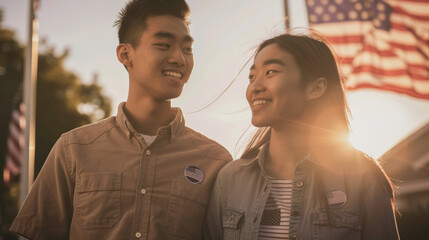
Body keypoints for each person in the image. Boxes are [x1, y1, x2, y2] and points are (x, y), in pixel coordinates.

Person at [10, 0, 232, 239]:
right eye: (164, 45)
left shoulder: (216, 163)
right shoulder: (73, 149)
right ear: (125, 54)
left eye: (187, 49)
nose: (179, 58)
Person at [203, 33, 400, 240]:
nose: (255, 86)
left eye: (270, 72)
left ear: (316, 88)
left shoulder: (362, 177)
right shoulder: (230, 179)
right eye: (252, 77)